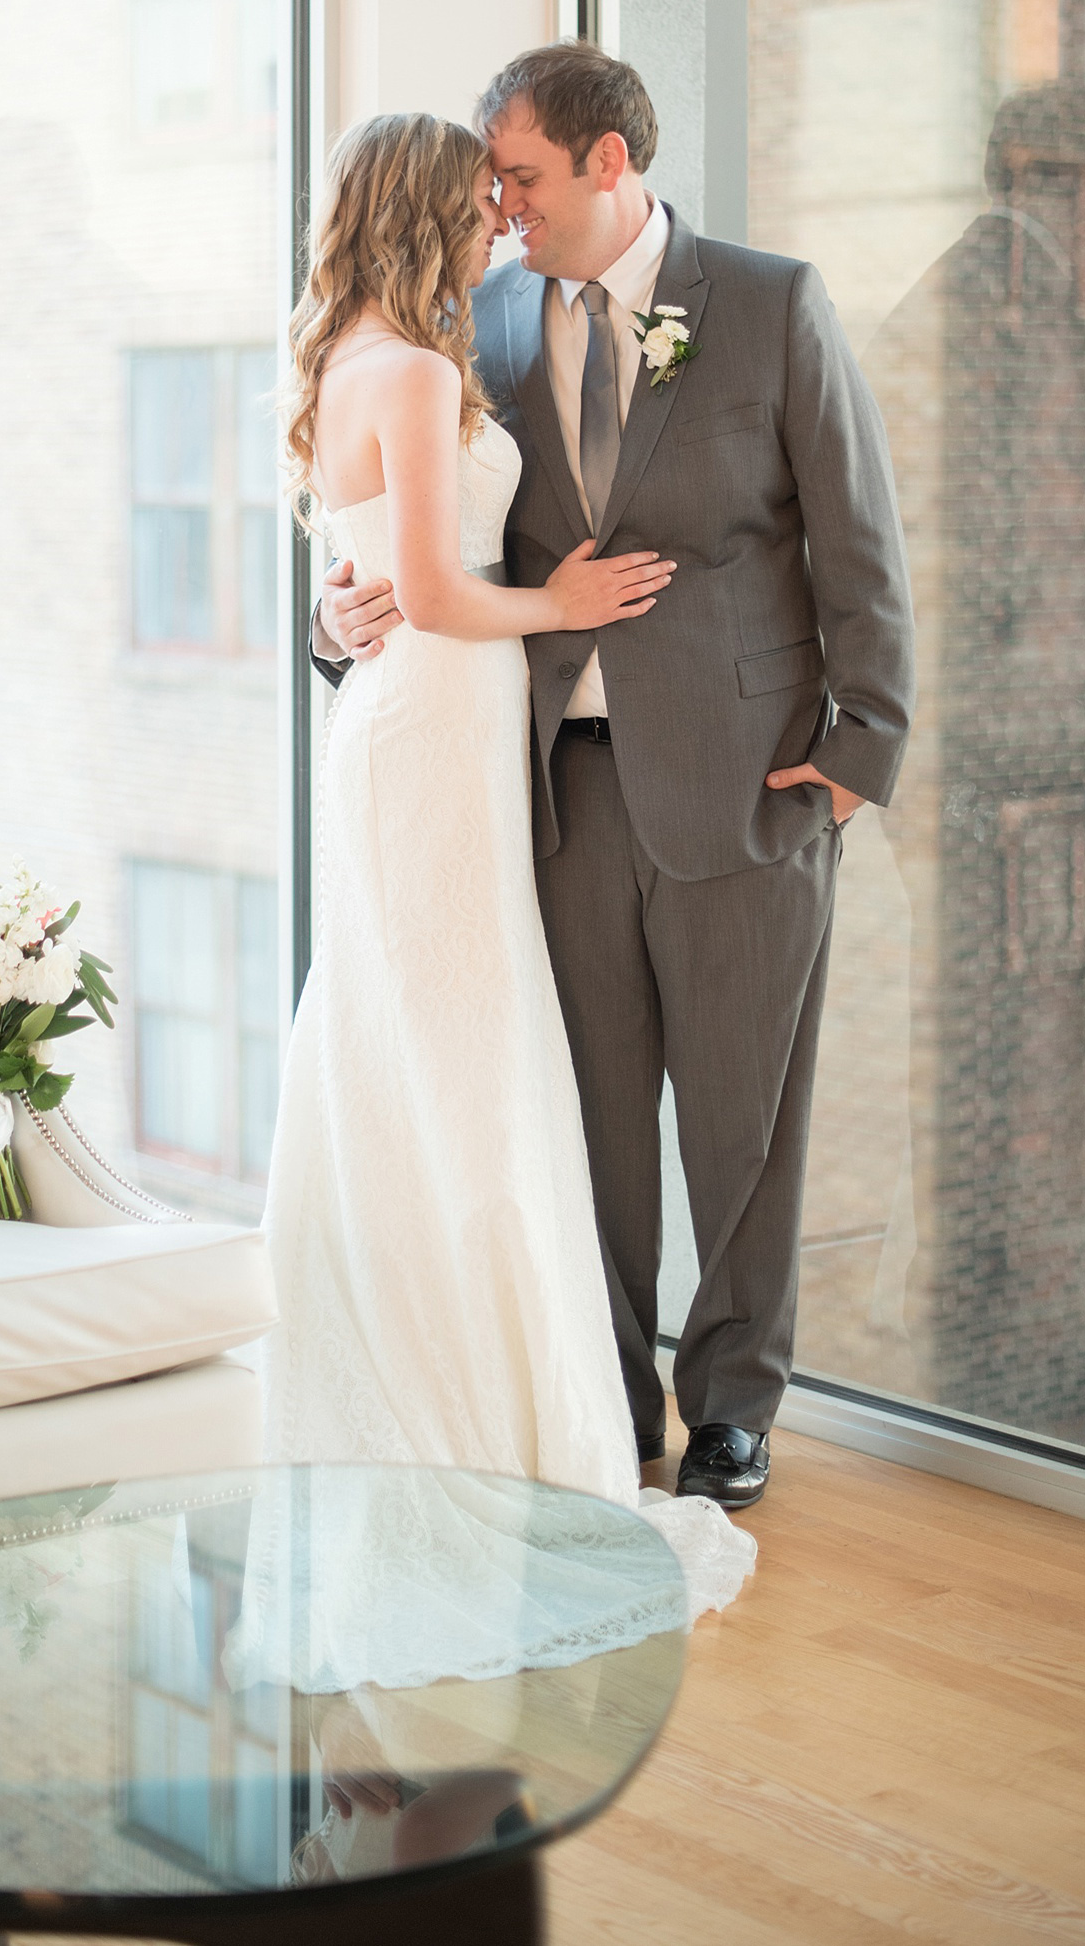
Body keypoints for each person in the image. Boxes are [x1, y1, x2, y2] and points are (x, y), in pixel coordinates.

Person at [315, 45, 916, 1509]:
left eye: (520, 174)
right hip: (543, 793)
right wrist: (337, 627)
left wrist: (853, 759)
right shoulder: (481, 327)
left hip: (748, 784)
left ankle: (732, 1403)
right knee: (580, 1118)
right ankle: (604, 1389)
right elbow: (412, 539)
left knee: (743, 1122)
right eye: (490, 182)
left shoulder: (768, 304)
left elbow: (859, 539)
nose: (500, 206)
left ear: (608, 161)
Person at [259, 107, 753, 1636]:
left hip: (441, 739)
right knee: (468, 1067)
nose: (497, 222)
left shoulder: (360, 352)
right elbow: (423, 591)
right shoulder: (405, 368)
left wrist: (411, 607)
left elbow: (372, 579)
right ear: (422, 208)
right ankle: (483, 1425)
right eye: (477, 201)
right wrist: (569, 599)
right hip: (430, 737)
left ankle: (475, 1398)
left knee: (437, 1055)